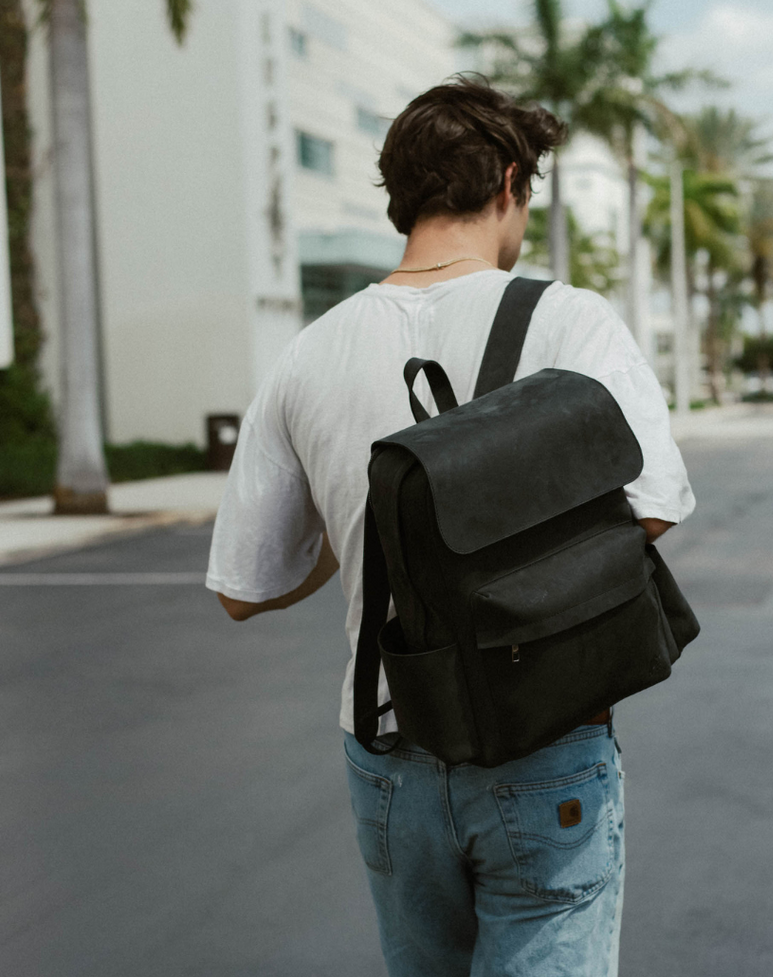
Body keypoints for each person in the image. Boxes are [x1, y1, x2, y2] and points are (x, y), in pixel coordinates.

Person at [206, 75, 695, 977]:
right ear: (509, 181)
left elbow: (246, 588)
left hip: (388, 751)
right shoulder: (570, 321)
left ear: (402, 196)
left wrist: (368, 532)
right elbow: (652, 505)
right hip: (544, 737)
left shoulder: (308, 352)